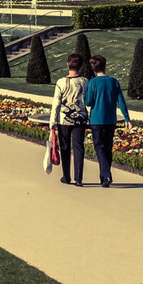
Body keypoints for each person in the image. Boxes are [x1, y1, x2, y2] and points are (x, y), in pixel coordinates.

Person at [85, 54, 131, 187]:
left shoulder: (92, 82)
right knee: (108, 148)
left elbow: (88, 102)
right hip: (111, 120)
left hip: (96, 120)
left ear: (94, 68)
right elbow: (121, 102)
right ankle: (104, 177)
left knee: (99, 148)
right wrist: (127, 118)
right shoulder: (113, 81)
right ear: (105, 66)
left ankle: (106, 174)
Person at [48, 53, 89, 186]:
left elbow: (56, 103)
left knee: (65, 147)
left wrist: (52, 122)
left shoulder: (61, 82)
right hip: (80, 119)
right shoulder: (85, 81)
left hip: (63, 119)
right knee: (78, 147)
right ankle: (79, 178)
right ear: (81, 66)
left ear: (67, 65)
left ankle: (66, 176)